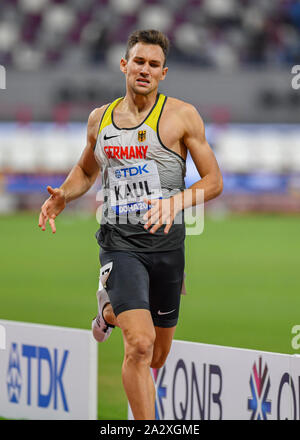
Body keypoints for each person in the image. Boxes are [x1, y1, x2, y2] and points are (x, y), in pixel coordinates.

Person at [38, 29, 223, 420]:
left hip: (167, 246)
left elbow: (213, 181)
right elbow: (86, 170)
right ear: (125, 64)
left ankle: (107, 313)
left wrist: (175, 202)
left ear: (163, 72)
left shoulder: (182, 116)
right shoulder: (100, 120)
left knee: (156, 355)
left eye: (154, 65)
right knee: (138, 345)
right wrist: (63, 196)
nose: (145, 69)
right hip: (119, 242)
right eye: (138, 61)